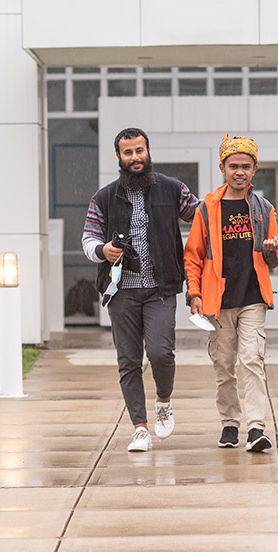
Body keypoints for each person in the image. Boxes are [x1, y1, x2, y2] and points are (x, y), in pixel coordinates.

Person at [82, 127, 201, 452]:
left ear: (148, 151)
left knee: (161, 353)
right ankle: (140, 428)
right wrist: (102, 250)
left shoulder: (172, 189)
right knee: (128, 361)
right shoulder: (104, 197)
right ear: (118, 157)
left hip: (160, 288)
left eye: (139, 151)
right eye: (128, 153)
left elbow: (203, 216)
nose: (135, 158)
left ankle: (163, 400)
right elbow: (88, 238)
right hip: (120, 292)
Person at [184, 135, 278, 452]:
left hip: (253, 298)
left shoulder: (264, 209)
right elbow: (193, 255)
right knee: (224, 367)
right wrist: (194, 293)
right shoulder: (206, 208)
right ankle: (230, 423)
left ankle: (256, 429)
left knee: (252, 360)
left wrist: (272, 252)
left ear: (254, 169)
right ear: (222, 168)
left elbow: (274, 258)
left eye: (245, 166)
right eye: (233, 166)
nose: (239, 172)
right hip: (218, 301)